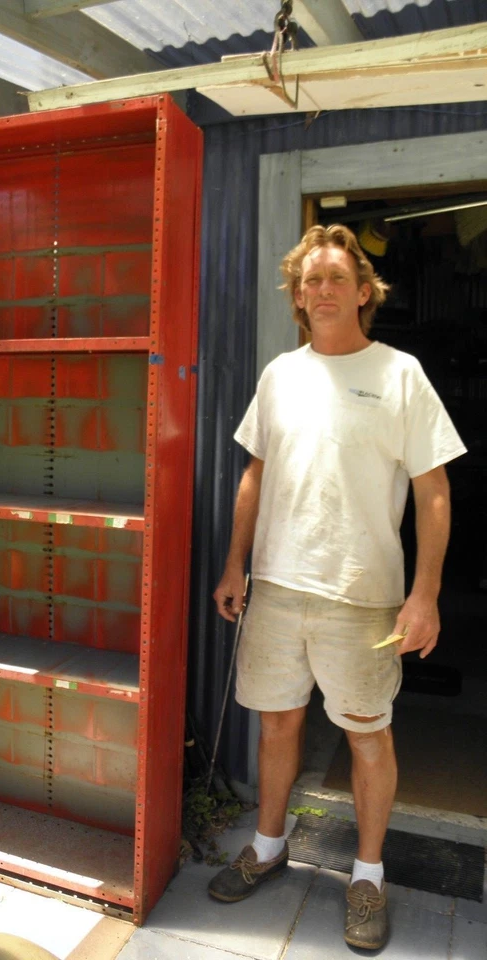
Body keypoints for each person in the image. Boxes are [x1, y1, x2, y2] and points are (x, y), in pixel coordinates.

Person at [207, 224, 466, 950]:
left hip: (363, 594)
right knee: (278, 723)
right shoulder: (280, 374)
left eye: (333, 278)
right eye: (308, 281)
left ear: (362, 291)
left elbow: (434, 490)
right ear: (298, 296)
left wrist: (425, 594)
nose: (320, 291)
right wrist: (237, 563)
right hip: (279, 587)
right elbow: (255, 473)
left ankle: (367, 876)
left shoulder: (400, 374)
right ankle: (267, 845)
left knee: (366, 734)